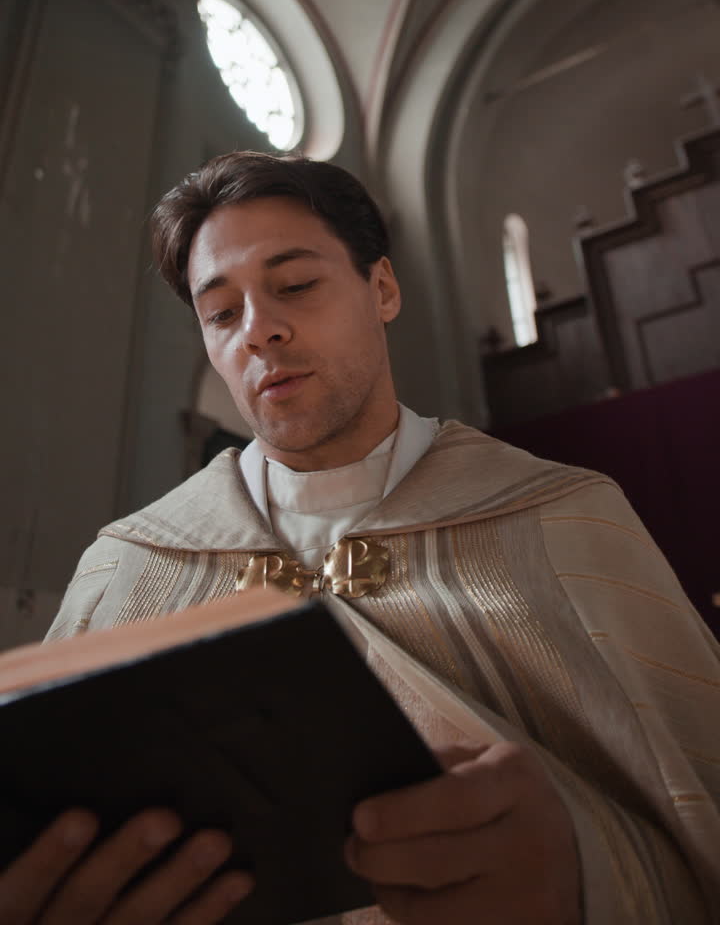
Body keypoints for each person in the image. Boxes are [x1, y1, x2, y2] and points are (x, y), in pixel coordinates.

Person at [7, 151, 720, 924]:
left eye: (295, 285)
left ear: (381, 288)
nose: (259, 331)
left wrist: (588, 879)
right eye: (221, 313)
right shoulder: (125, 565)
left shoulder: (567, 518)